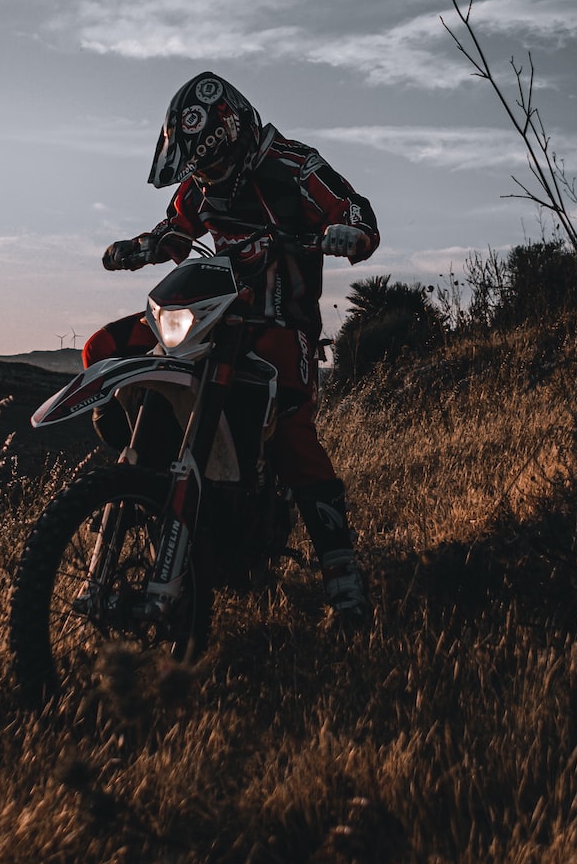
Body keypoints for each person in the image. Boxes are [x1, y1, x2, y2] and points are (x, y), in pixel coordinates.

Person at [86, 72, 379, 626]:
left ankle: (344, 581)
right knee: (102, 347)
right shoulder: (200, 177)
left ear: (238, 136)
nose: (206, 179)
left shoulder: (295, 165)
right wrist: (141, 246)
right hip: (208, 314)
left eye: (213, 165)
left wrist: (349, 233)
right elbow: (175, 229)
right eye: (198, 170)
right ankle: (147, 483)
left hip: (278, 325)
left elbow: (357, 211)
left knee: (292, 430)